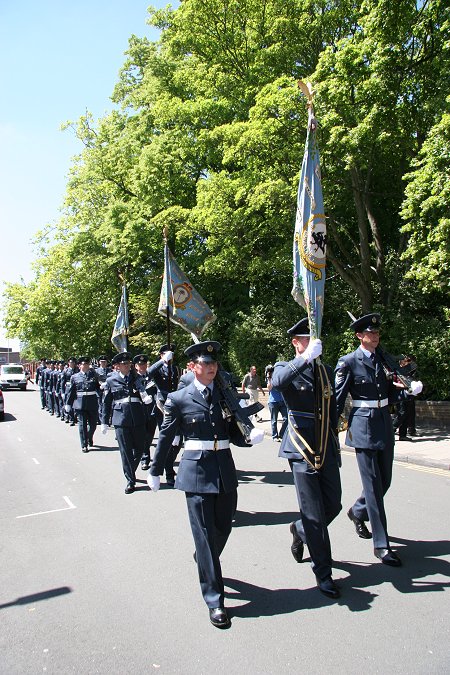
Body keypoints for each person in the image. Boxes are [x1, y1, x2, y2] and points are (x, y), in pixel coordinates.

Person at [147, 340, 263, 628]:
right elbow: (165, 437)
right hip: (196, 472)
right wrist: (155, 469)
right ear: (192, 367)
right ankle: (215, 600)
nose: (211, 367)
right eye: (204, 364)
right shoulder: (178, 398)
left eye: (213, 364)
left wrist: (249, 437)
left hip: (223, 467)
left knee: (224, 526)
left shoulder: (224, 395)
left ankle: (203, 556)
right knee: (205, 534)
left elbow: (234, 431)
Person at [335, 313, 423, 567]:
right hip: (363, 428)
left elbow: (388, 396)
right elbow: (339, 399)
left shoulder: (384, 361)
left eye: (377, 332)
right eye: (370, 333)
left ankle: (358, 511)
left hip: (384, 424)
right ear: (359, 336)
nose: (375, 336)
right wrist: (330, 430)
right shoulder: (348, 362)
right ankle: (381, 545)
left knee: (385, 481)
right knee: (373, 487)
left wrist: (407, 391)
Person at [272, 319, 342, 599]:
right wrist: (303, 359)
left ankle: (299, 530)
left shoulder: (325, 370)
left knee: (333, 503)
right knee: (313, 512)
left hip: (325, 444)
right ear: (295, 343)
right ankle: (323, 573)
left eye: (313, 339)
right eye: (304, 339)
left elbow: (332, 408)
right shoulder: (284, 367)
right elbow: (278, 383)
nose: (311, 344)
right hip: (301, 447)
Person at [101, 352, 152, 494]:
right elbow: (106, 402)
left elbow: (146, 382)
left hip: (138, 417)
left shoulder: (137, 377)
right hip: (121, 419)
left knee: (141, 448)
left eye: (129, 363)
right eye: (124, 364)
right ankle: (130, 480)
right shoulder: (111, 380)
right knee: (125, 451)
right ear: (117, 366)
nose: (128, 366)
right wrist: (104, 421)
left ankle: (130, 470)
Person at [147, 344, 181, 486]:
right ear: (161, 355)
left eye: (171, 353)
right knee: (167, 440)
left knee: (178, 442)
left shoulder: (177, 369)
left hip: (176, 404)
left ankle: (168, 464)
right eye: (166, 354)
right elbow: (149, 372)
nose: (170, 356)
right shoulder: (158, 368)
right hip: (163, 406)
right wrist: (162, 361)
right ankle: (169, 472)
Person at [66, 356, 100, 453]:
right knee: (82, 424)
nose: (85, 366)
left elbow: (98, 387)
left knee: (93, 425)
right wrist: (68, 403)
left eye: (87, 364)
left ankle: (89, 437)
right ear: (79, 366)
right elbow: (71, 391)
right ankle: (84, 445)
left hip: (92, 402)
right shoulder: (75, 377)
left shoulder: (94, 375)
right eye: (83, 364)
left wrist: (103, 388)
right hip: (80, 403)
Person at [133, 354, 158, 471]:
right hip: (139, 411)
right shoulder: (133, 378)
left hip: (152, 411)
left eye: (144, 364)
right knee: (142, 435)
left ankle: (144, 454)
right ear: (136, 366)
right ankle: (145, 458)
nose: (142, 366)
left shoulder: (151, 376)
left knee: (149, 435)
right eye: (139, 365)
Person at [266, 366, 288, 441]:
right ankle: (275, 436)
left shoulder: (280, 377)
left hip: (282, 401)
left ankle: (281, 435)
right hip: (273, 401)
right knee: (274, 420)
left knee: (287, 419)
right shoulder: (270, 378)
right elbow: (269, 388)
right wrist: (269, 378)